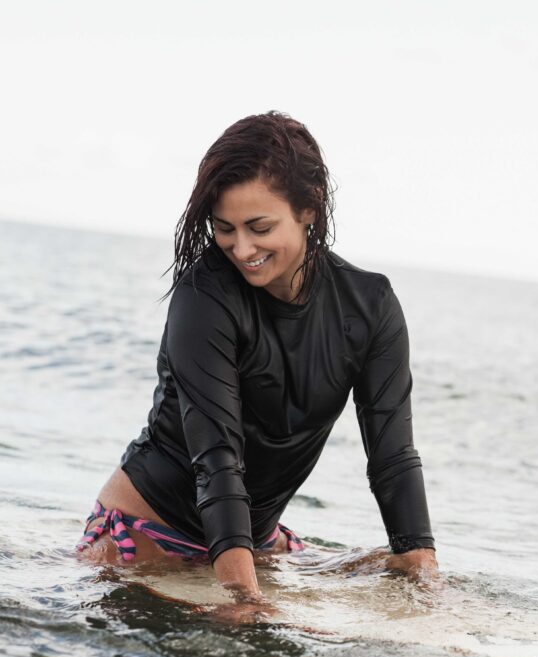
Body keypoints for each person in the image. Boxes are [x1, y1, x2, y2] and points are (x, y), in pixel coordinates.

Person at [75, 111, 437, 621]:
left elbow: (393, 457)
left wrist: (424, 575)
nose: (241, 249)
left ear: (308, 210)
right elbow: (217, 455)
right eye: (225, 229)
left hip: (255, 543)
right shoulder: (205, 295)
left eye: (259, 227)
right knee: (248, 632)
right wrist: (244, 599)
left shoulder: (369, 306)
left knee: (403, 576)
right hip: (147, 536)